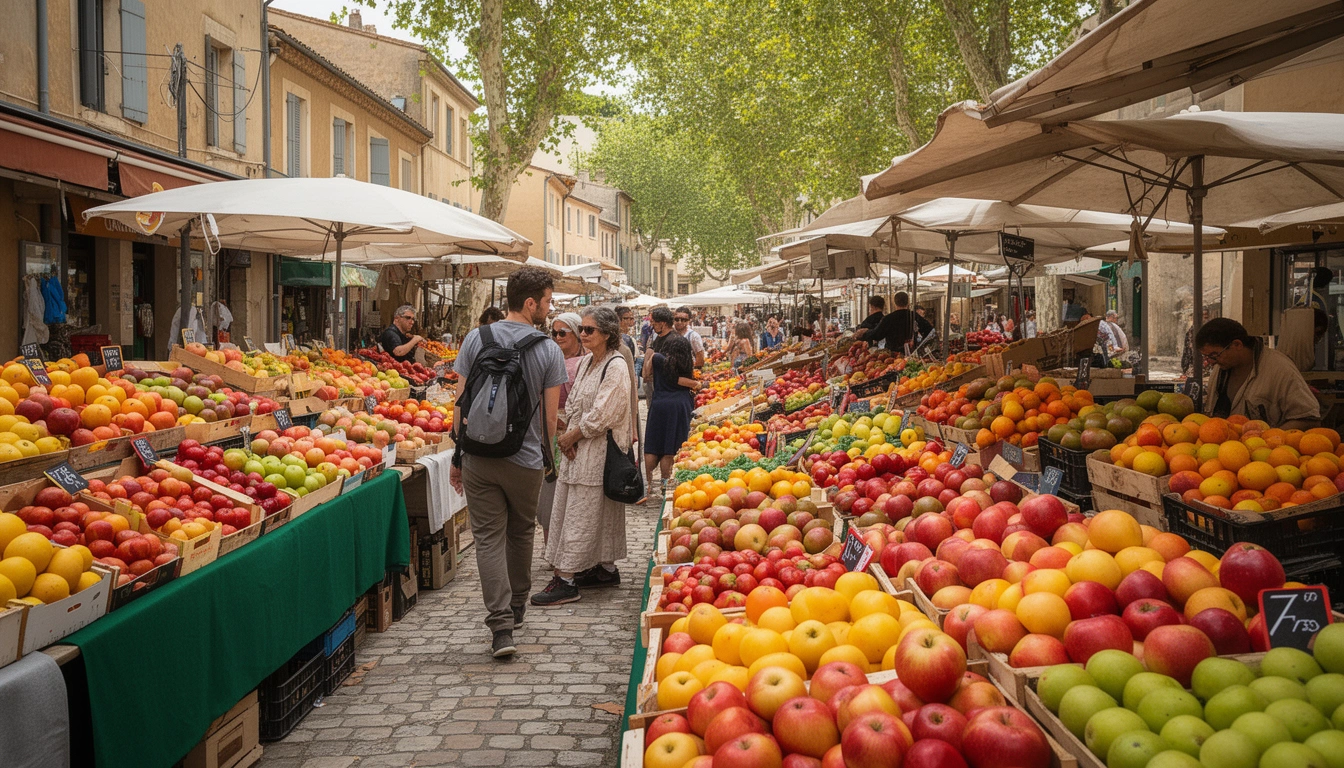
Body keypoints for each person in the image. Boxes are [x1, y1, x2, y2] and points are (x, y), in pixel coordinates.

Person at [450, 267, 568, 658]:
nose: (550, 309)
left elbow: (460, 403)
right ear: (530, 303)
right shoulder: (548, 349)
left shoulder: (475, 338)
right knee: (521, 532)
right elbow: (549, 419)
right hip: (525, 458)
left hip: (478, 457)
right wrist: (548, 460)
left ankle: (500, 626)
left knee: (486, 538)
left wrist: (457, 454)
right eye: (548, 302)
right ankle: (517, 606)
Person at [532, 307, 633, 605]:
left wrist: (574, 435)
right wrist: (569, 436)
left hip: (597, 451)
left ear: (607, 334)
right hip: (580, 448)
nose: (583, 334)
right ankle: (604, 568)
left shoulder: (615, 365)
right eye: (583, 329)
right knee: (588, 510)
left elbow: (604, 411)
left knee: (581, 513)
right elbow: (576, 401)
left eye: (589, 330)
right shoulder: (590, 362)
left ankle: (565, 579)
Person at [1196, 317, 1320, 429]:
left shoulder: (1280, 369)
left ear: (1237, 344)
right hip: (1226, 451)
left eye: (1214, 355)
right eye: (1207, 357)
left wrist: (1268, 438)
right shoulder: (1220, 369)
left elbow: (1309, 419)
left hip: (1268, 451)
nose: (1211, 362)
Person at [536, 312, 588, 542]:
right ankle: (552, 545)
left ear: (577, 334)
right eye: (554, 333)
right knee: (551, 489)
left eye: (562, 333)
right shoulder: (549, 361)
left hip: (578, 432)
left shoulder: (587, 364)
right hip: (551, 431)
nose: (557, 337)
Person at [644, 332, 699, 495]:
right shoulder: (685, 362)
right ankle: (665, 484)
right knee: (670, 446)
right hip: (679, 405)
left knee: (652, 444)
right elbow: (677, 380)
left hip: (659, 403)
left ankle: (648, 484)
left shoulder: (657, 359)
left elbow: (646, 375)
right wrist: (698, 384)